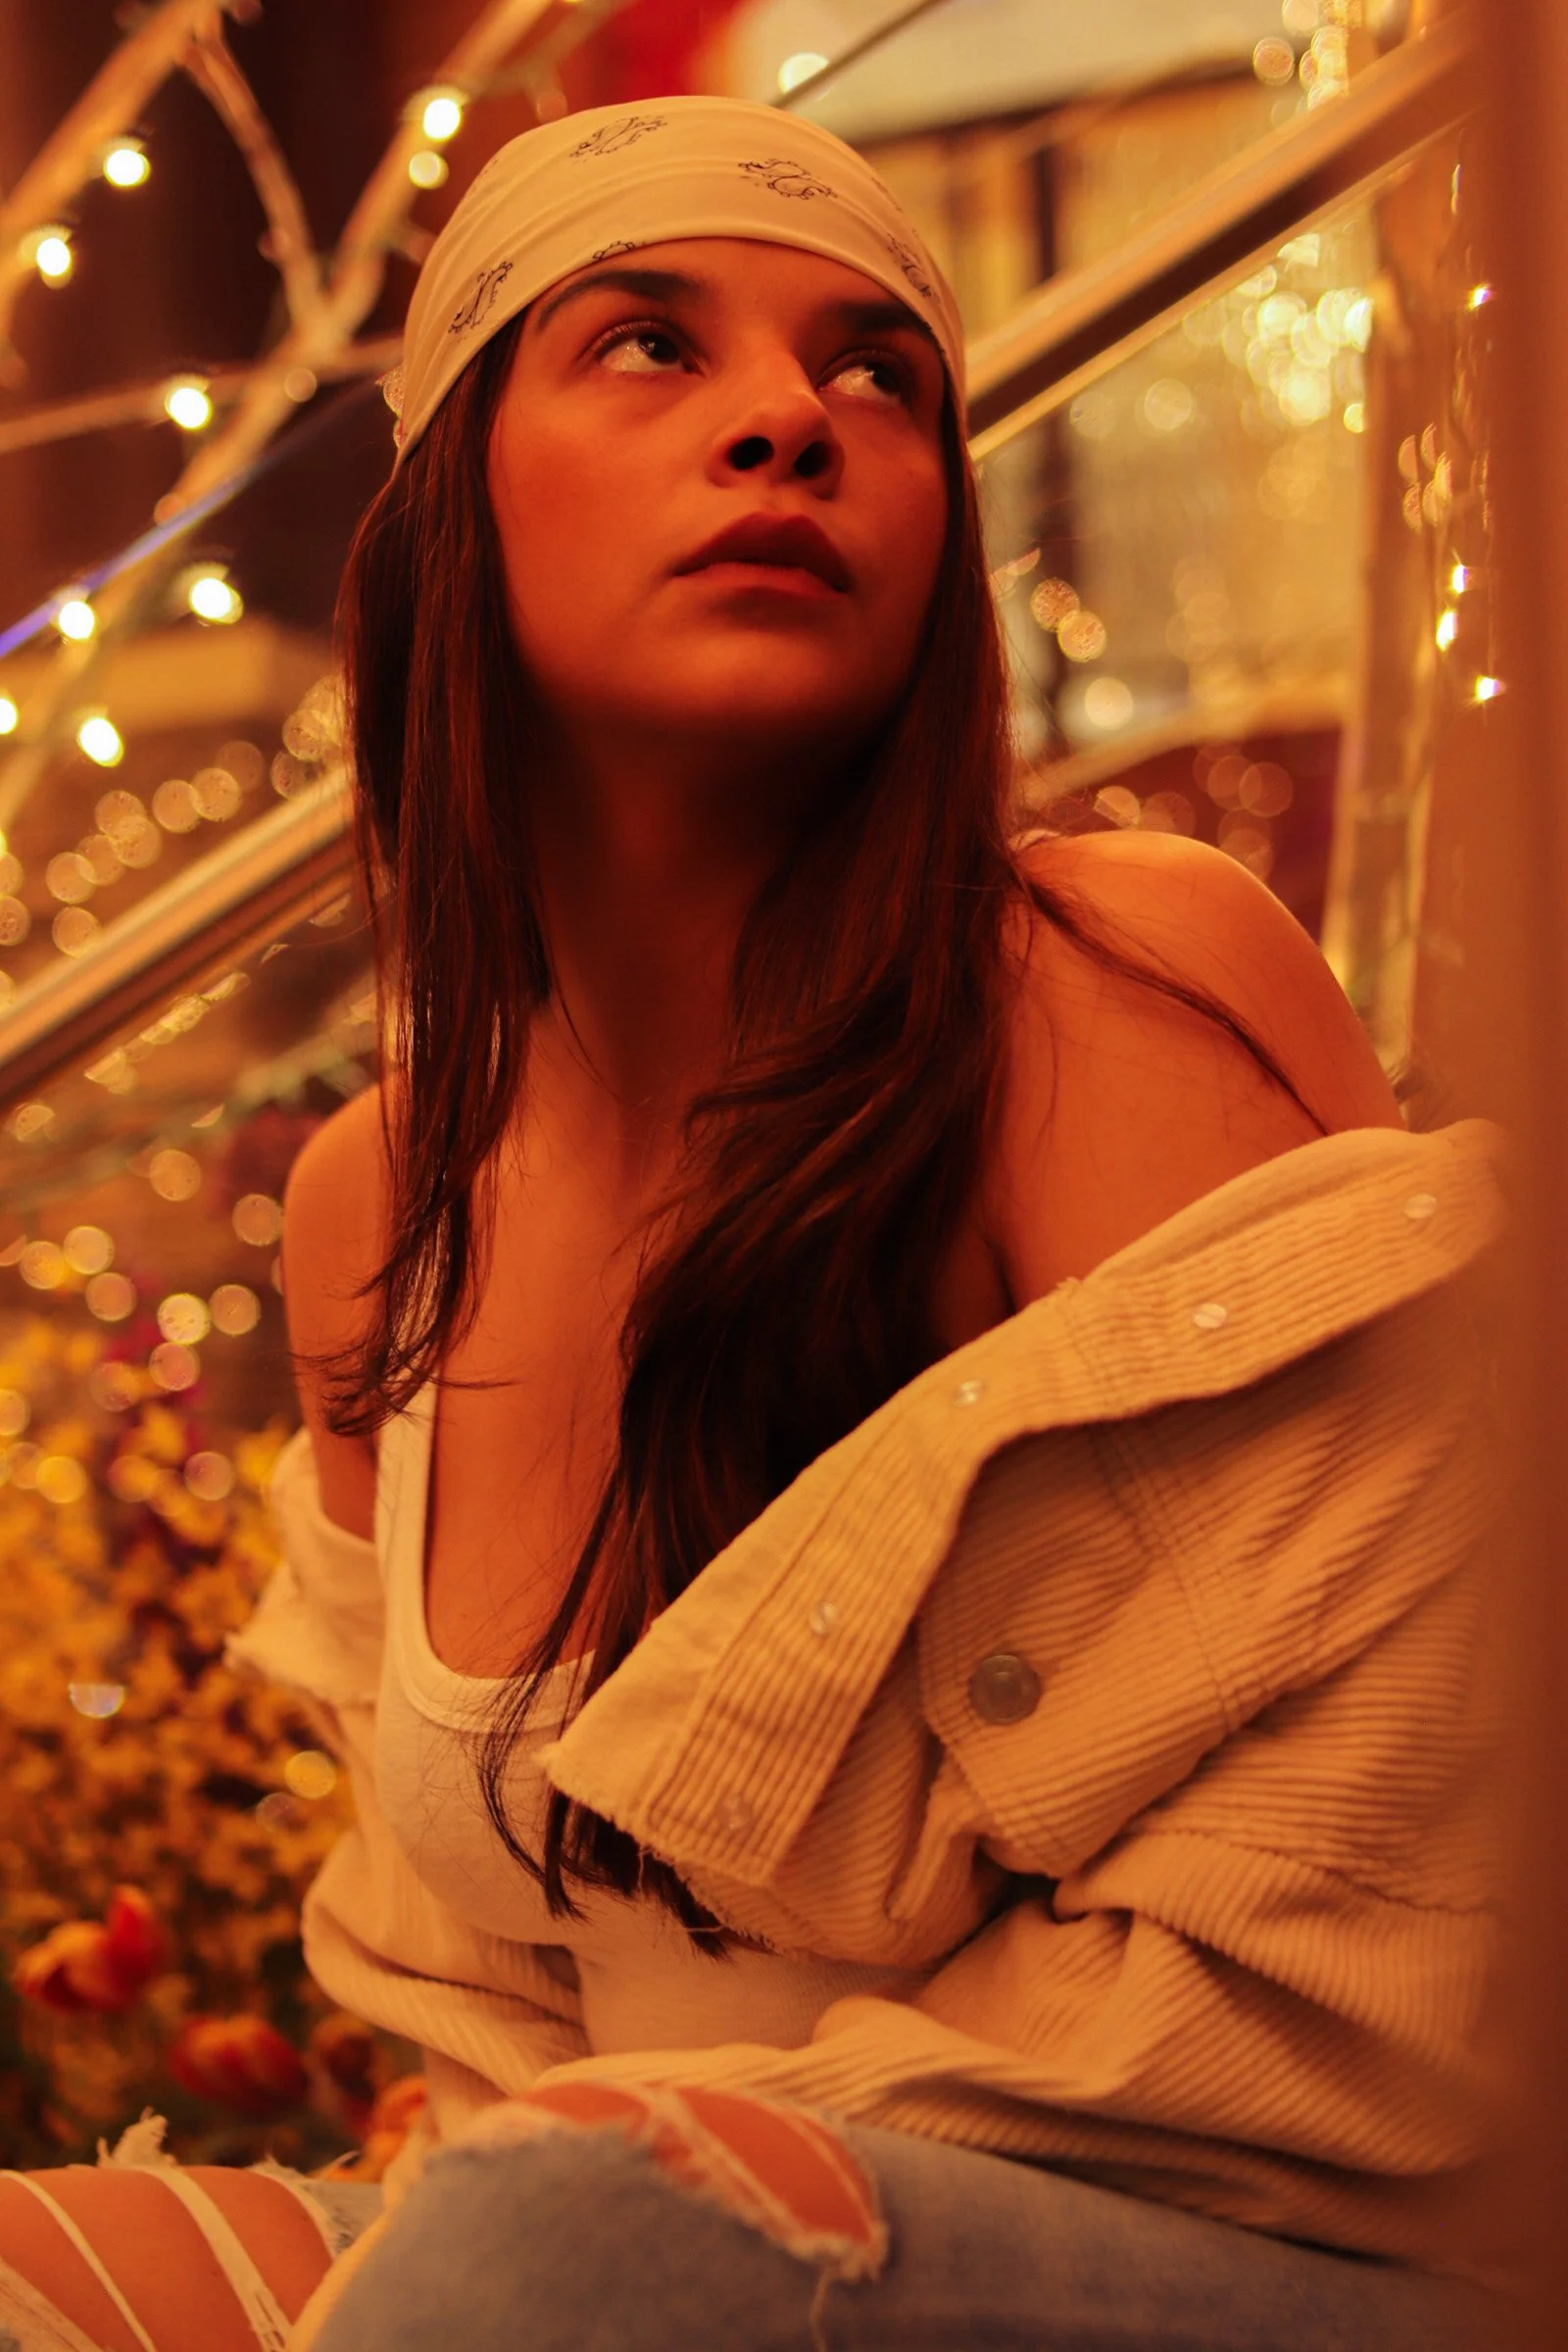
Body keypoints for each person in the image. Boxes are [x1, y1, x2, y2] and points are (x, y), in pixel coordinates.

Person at [0, 94, 1507, 2352]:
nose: (787, 421)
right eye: (647, 345)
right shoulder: (370, 1205)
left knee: (571, 2229)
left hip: (1278, 2253)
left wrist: (609, 2157)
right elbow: (469, 1988)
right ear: (454, 508)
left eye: (872, 375)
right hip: (622, 2226)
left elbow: (1396, 1898)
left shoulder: (1102, 985)